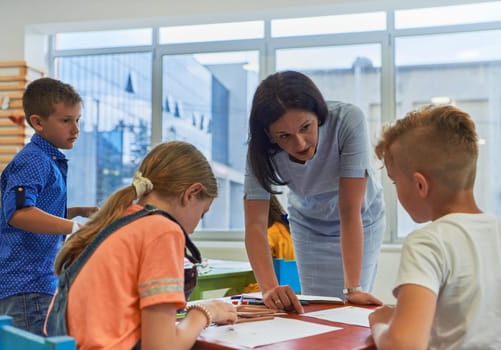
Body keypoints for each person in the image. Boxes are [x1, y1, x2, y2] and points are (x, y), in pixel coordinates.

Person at [46, 141, 237, 349]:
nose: (193, 229)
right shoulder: (162, 230)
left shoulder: (114, 222)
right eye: (202, 213)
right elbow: (162, 348)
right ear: (191, 193)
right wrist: (205, 313)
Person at [244, 70, 385, 312]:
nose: (299, 143)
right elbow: (255, 226)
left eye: (306, 127)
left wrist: (353, 289)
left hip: (360, 218)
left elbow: (349, 210)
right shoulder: (261, 150)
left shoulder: (348, 120)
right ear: (269, 135)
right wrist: (268, 288)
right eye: (284, 136)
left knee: (349, 306)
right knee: (318, 308)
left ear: (318, 115)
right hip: (308, 223)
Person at [369, 105, 501, 349]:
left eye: (395, 181)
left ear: (420, 185)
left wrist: (379, 324)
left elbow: (403, 345)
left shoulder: (428, 242)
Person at [0, 77, 98, 335]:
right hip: (25, 283)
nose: (76, 129)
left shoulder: (48, 159)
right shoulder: (34, 160)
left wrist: (79, 211)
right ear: (38, 122)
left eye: (78, 120)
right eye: (66, 121)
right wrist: (75, 227)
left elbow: (39, 209)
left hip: (36, 280)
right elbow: (19, 213)